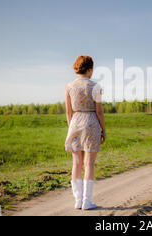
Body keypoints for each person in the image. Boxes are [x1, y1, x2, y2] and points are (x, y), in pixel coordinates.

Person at [64, 55, 106, 210]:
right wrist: (104, 130)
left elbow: (68, 112)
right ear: (90, 69)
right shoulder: (95, 86)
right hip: (91, 122)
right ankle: (86, 202)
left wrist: (71, 128)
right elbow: (99, 111)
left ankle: (77, 200)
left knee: (76, 163)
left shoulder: (69, 86)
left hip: (75, 122)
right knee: (89, 163)